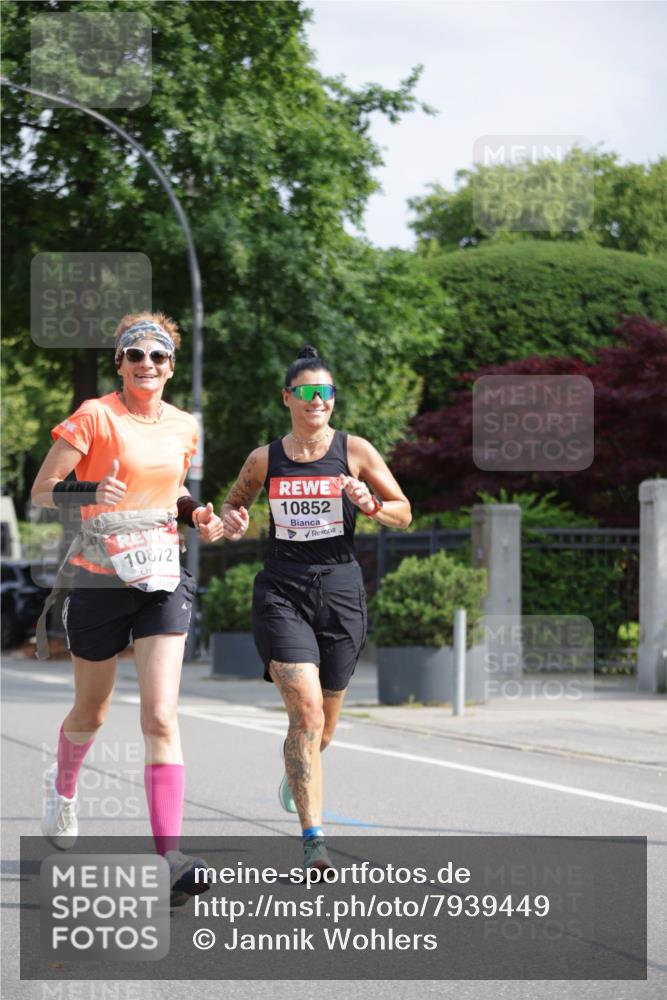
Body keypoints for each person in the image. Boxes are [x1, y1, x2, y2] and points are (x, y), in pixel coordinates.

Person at [31, 311, 223, 907]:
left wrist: (201, 516)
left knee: (161, 716)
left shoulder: (184, 425)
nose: (148, 365)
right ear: (120, 362)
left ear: (171, 366)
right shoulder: (95, 416)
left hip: (162, 576)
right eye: (135, 354)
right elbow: (42, 490)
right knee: (92, 711)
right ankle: (64, 792)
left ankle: (170, 858)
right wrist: (91, 491)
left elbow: (177, 492)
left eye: (159, 356)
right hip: (98, 581)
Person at [221, 344, 412, 875]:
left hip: (341, 592)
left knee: (322, 729)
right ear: (288, 398)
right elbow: (236, 502)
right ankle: (314, 841)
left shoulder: (356, 452)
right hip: (282, 590)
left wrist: (369, 504)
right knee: (303, 713)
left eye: (325, 392)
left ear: (333, 399)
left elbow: (404, 512)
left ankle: (298, 768)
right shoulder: (265, 459)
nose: (316, 401)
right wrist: (234, 518)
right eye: (306, 392)